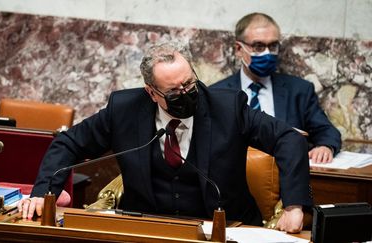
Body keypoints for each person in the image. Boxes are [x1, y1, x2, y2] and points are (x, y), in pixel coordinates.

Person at [18, 42, 312, 233]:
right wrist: (44, 194)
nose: (185, 94)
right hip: (148, 229)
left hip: (224, 230)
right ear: (151, 92)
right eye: (174, 91)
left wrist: (294, 206)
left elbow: (289, 138)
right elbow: (67, 142)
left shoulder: (228, 107)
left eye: (189, 83)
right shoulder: (124, 110)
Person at [211, 12, 341, 164]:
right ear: (239, 49)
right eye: (258, 46)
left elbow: (326, 130)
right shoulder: (217, 93)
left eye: (273, 46)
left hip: (285, 177)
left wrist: (325, 147)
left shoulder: (299, 90)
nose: (267, 53)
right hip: (233, 178)